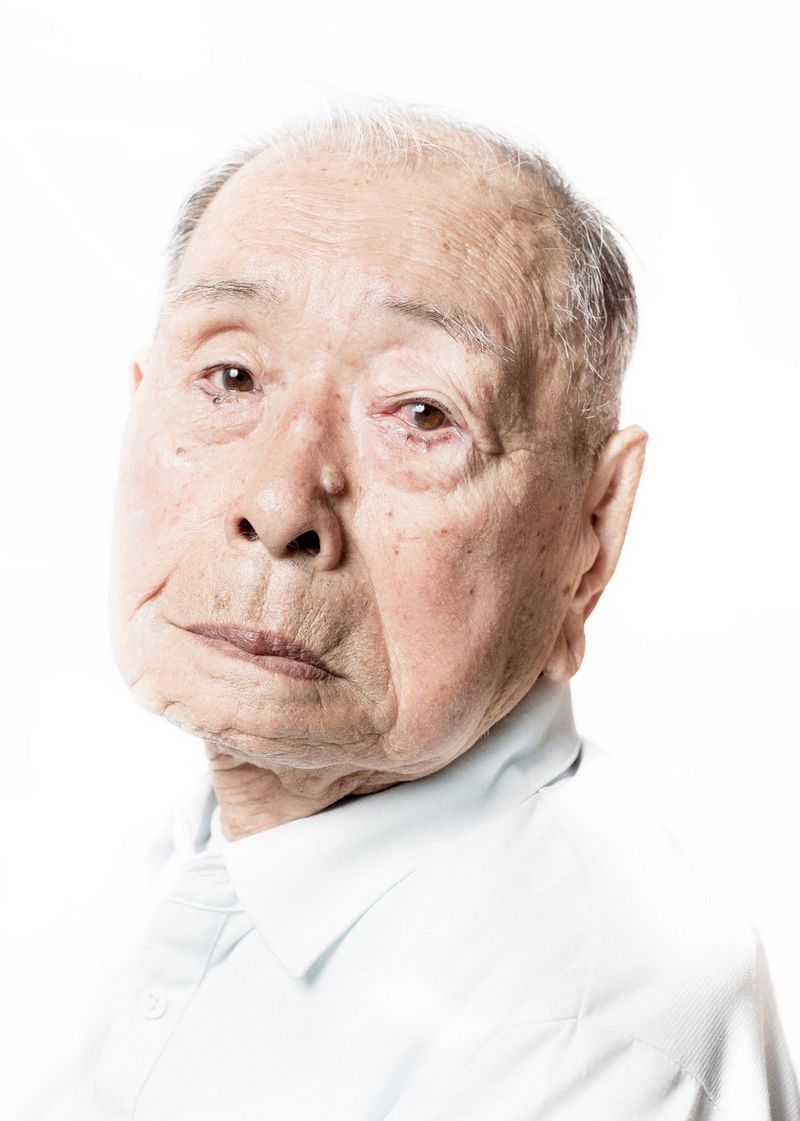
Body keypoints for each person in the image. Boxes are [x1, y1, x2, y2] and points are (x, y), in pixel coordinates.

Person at [44, 103, 800, 1119]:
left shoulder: (589, 1028)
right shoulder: (145, 854)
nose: (277, 504)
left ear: (591, 528)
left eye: (422, 413)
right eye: (228, 376)